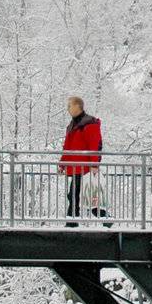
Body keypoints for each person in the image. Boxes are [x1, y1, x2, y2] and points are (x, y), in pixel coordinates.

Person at [60, 95, 102, 226]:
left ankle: (72, 222)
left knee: (78, 195)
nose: (67, 109)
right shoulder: (73, 125)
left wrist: (94, 164)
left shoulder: (89, 123)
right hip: (77, 166)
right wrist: (62, 163)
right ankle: (104, 218)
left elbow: (94, 145)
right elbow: (67, 146)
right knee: (78, 194)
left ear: (77, 106)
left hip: (84, 167)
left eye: (69, 106)